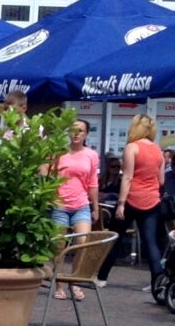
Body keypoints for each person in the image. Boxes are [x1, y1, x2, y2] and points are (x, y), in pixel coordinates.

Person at [97, 114, 166, 291]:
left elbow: (127, 177)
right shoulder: (158, 150)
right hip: (152, 200)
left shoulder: (132, 148)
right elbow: (161, 181)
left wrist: (120, 203)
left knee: (115, 237)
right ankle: (157, 281)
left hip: (132, 199)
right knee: (151, 241)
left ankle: (101, 277)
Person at [51, 119, 101, 300]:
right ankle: (59, 285)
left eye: (81, 131)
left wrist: (95, 207)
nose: (76, 134)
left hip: (81, 204)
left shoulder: (91, 155)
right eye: (73, 130)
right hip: (60, 204)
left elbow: (93, 183)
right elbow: (49, 178)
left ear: (86, 134)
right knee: (59, 246)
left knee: (83, 242)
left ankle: (74, 281)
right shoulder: (59, 153)